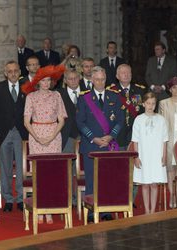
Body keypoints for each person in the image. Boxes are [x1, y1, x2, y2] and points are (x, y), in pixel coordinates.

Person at [76, 66, 124, 221]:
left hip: (109, 144)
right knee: (91, 179)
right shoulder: (84, 98)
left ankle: (106, 209)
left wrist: (110, 136)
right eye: (97, 79)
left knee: (107, 178)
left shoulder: (114, 96)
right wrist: (93, 138)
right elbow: (80, 122)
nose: (100, 82)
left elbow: (120, 120)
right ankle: (91, 211)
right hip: (91, 145)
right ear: (91, 80)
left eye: (103, 79)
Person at [22, 64, 67, 224]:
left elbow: (61, 119)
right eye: (43, 80)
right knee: (38, 174)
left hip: (54, 136)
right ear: (38, 82)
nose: (46, 83)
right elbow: (27, 121)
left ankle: (49, 210)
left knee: (52, 174)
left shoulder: (57, 95)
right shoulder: (30, 97)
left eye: (49, 80)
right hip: (36, 135)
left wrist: (51, 136)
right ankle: (39, 209)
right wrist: (37, 137)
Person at [0, 60, 28, 212]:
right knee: (4, 168)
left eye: (15, 71)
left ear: (19, 72)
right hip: (4, 132)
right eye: (10, 71)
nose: (13, 73)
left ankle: (20, 198)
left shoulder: (26, 88)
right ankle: (8, 199)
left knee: (21, 168)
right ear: (5, 73)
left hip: (21, 132)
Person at [132, 92, 168, 214]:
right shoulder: (138, 119)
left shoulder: (161, 119)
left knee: (154, 184)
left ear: (155, 104)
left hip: (156, 156)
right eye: (148, 103)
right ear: (143, 104)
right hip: (143, 155)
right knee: (145, 184)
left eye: (153, 103)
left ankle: (153, 211)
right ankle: (147, 210)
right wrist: (136, 157)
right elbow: (135, 140)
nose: (150, 106)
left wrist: (164, 156)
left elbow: (164, 140)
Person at [108, 64, 147, 149]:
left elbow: (142, 112)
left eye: (128, 72)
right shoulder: (111, 91)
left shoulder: (139, 90)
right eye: (123, 73)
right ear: (117, 76)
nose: (126, 75)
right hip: (117, 134)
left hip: (135, 134)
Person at [159, 77, 177, 208]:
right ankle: (172, 198)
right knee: (170, 172)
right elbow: (160, 125)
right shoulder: (163, 103)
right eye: (174, 87)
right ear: (170, 89)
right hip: (168, 143)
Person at [58, 69, 81, 205]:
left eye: (75, 78)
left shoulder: (86, 93)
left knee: (80, 170)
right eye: (70, 79)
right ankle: (68, 199)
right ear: (65, 80)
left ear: (79, 78)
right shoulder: (58, 94)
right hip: (66, 137)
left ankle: (80, 198)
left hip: (83, 137)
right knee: (66, 170)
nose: (73, 81)